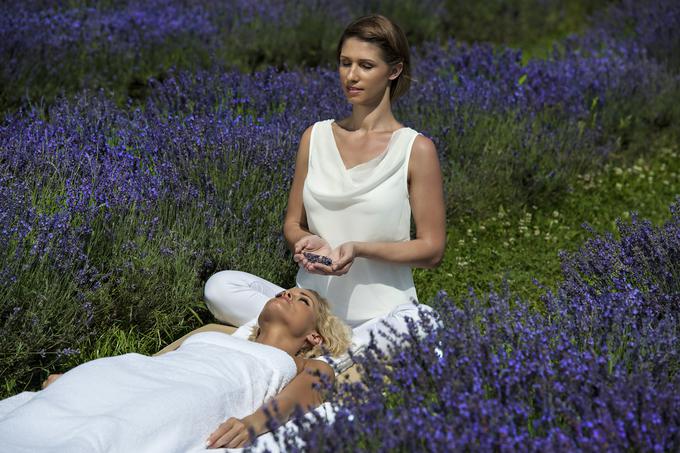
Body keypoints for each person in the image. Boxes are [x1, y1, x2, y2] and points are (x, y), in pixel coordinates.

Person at [204, 14, 446, 368]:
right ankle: (327, 346)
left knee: (420, 319)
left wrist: (359, 250)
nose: (351, 76)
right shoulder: (314, 137)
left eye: (366, 65)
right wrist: (303, 241)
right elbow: (292, 224)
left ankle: (317, 354)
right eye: (345, 63)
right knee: (220, 285)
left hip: (382, 314)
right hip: (314, 311)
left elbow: (432, 249)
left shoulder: (416, 149)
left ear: (393, 71)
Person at [0, 288, 351, 451]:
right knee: (41, 413)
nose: (288, 294)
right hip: (136, 374)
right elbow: (157, 363)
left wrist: (252, 424)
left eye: (301, 299)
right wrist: (80, 377)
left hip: (199, 393)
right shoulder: (215, 335)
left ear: (314, 335)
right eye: (286, 291)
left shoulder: (308, 364)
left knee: (112, 433)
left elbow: (305, 394)